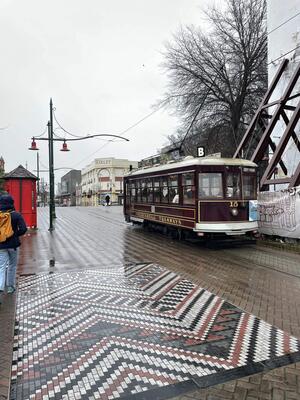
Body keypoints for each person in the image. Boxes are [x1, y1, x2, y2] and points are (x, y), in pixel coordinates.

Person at [0, 194, 27, 304]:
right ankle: (10, 286)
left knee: (1, 267)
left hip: (1, 246)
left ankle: (0, 288)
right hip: (13, 245)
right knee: (12, 265)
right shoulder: (16, 215)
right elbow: (24, 229)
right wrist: (15, 235)